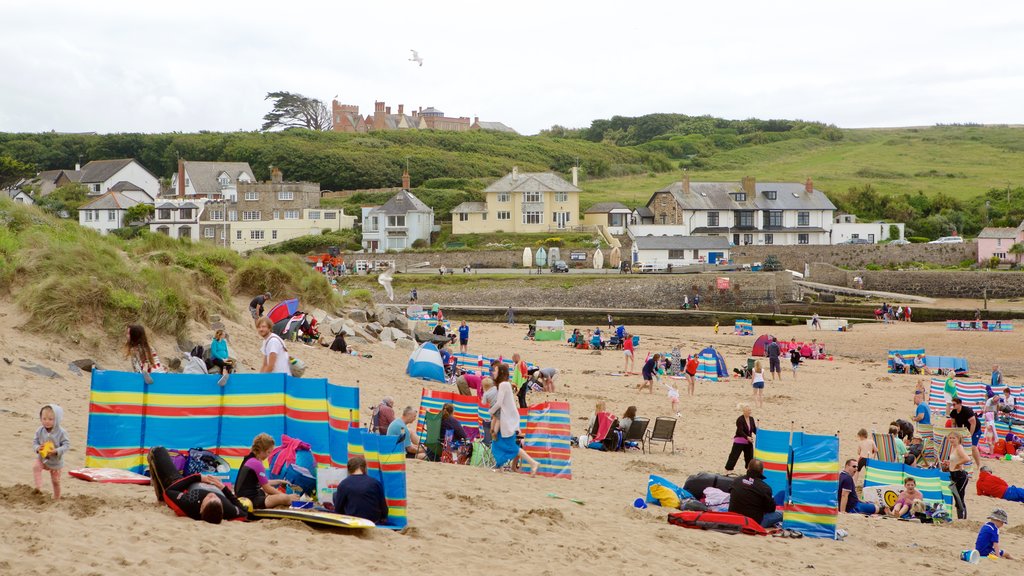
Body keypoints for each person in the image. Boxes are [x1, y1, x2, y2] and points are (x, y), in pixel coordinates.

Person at [146, 446, 248, 524]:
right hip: (204, 482)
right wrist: (223, 488)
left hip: (183, 484)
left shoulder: (190, 502)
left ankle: (160, 500)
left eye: (209, 498)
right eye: (216, 498)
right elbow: (244, 512)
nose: (213, 494)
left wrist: (198, 477)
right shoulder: (227, 509)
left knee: (157, 451)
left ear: (201, 507)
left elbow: (169, 491)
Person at [489, 364, 539, 475]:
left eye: (495, 371)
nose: (493, 372)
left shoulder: (503, 385)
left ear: (501, 372)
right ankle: (499, 467)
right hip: (506, 418)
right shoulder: (504, 384)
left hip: (507, 419)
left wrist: (491, 411)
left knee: (511, 446)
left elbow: (499, 403)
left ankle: (533, 463)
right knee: (497, 443)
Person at [235, 433, 298, 510]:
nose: (268, 455)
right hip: (249, 500)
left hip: (244, 495)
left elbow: (263, 482)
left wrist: (279, 481)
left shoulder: (249, 459)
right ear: (261, 450)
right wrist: (286, 497)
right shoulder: (257, 463)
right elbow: (267, 488)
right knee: (283, 498)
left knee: (263, 492)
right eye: (268, 452)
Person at [332, 455, 388, 524]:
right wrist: (384, 517)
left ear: (349, 469)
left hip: (353, 520)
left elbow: (338, 509)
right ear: (365, 468)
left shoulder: (344, 484)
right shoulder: (375, 482)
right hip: (373, 519)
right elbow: (383, 505)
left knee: (335, 495)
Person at [727, 459, 781, 528]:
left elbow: (731, 493)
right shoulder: (765, 488)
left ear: (748, 468)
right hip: (754, 522)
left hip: (734, 518)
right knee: (781, 514)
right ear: (762, 471)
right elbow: (771, 509)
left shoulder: (736, 481)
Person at [33, 404, 69, 500]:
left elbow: (66, 445)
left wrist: (56, 451)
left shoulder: (61, 432)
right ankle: (38, 488)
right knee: (36, 467)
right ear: (40, 418)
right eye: (44, 419)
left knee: (56, 481)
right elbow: (35, 442)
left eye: (50, 419)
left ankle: (56, 498)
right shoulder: (40, 431)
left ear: (56, 419)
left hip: (56, 463)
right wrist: (37, 448)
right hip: (42, 458)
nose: (47, 422)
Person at [949, 397, 982, 469]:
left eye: (954, 404)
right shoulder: (954, 412)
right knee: (960, 446)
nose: (953, 406)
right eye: (952, 404)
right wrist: (954, 433)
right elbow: (953, 424)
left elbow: (973, 424)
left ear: (959, 404)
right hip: (964, 429)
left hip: (975, 429)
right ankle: (962, 464)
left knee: (973, 447)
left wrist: (970, 435)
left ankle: (978, 465)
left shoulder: (967, 411)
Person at [947, 432, 972, 519]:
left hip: (960, 475)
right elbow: (955, 459)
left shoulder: (959, 447)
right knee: (956, 498)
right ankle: (960, 517)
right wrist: (949, 463)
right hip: (953, 474)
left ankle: (962, 518)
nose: (951, 440)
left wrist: (958, 464)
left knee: (960, 498)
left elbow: (967, 458)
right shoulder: (953, 448)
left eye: (953, 438)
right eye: (950, 438)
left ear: (958, 439)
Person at [725, 404, 756, 472]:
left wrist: (760, 434)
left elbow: (754, 429)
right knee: (734, 456)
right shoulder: (740, 419)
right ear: (744, 411)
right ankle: (727, 470)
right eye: (748, 410)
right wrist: (747, 437)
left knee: (749, 457)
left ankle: (749, 471)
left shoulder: (751, 419)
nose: (749, 412)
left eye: (750, 410)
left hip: (748, 441)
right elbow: (740, 431)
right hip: (739, 441)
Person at [479, 378, 497, 446]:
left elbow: (483, 403)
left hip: (493, 410)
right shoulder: (495, 389)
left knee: (489, 421)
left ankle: (489, 439)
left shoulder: (486, 394)